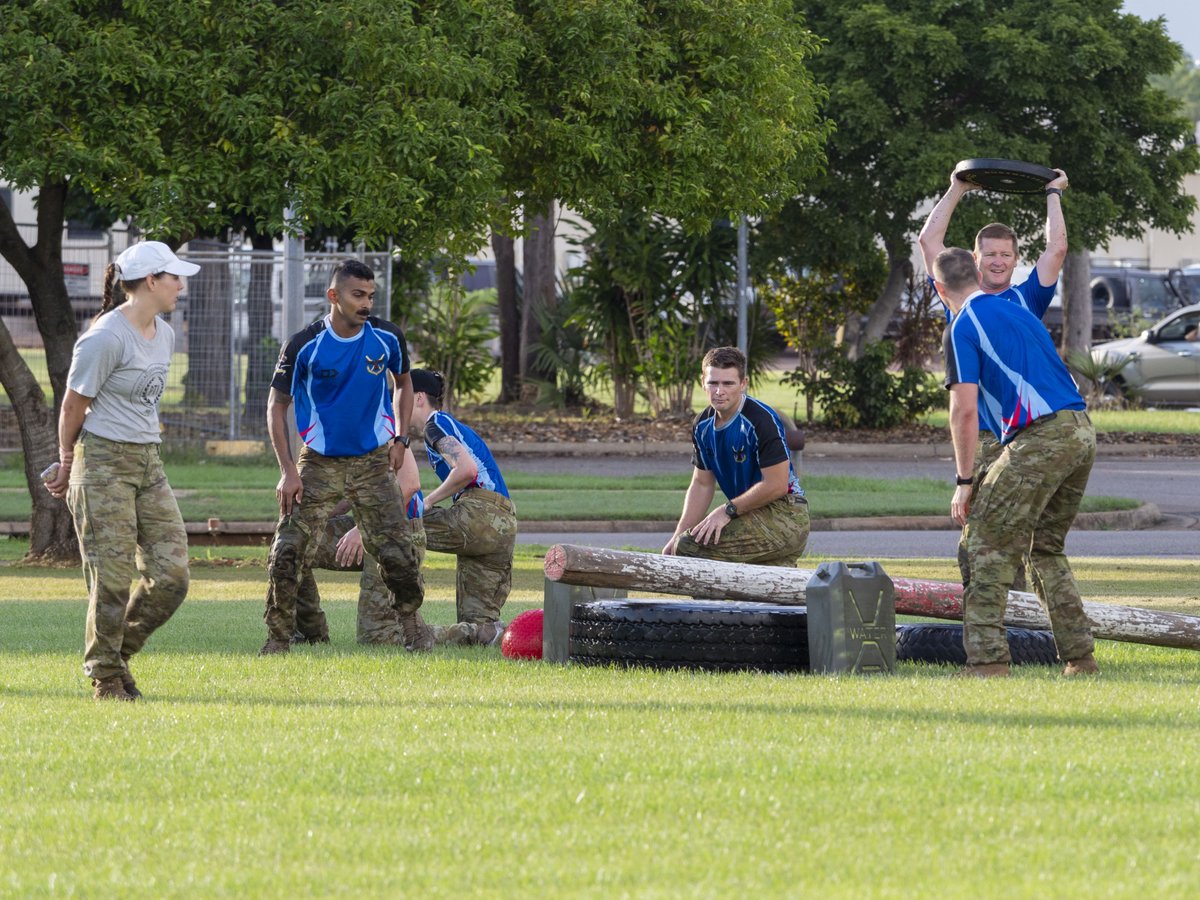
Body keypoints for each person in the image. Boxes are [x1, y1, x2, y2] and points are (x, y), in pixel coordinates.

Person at [44, 241, 198, 701]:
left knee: (172, 577)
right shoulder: (105, 337)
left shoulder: (164, 334)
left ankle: (114, 656)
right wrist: (67, 461)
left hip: (148, 461)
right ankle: (107, 679)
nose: (180, 286)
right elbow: (73, 406)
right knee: (110, 579)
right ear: (151, 281)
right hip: (102, 463)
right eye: (173, 277)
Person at [935, 247, 1098, 678]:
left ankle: (987, 663)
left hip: (1040, 438)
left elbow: (963, 411)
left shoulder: (962, 324)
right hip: (1080, 430)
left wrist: (965, 481)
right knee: (1044, 548)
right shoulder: (1017, 311)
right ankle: (1080, 659)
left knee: (983, 543)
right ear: (977, 273)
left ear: (938, 288)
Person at [260, 259, 427, 654]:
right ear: (333, 296)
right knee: (287, 550)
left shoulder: (387, 337)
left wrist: (401, 439)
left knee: (397, 553)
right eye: (357, 295)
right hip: (318, 462)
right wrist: (288, 470)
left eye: (370, 295)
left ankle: (412, 630)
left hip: (373, 462)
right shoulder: (304, 345)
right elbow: (276, 406)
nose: (366, 303)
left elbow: (403, 384)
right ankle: (279, 639)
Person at [919, 166, 1070, 592]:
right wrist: (957, 188)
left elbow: (1057, 249)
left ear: (1016, 259)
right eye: (990, 254)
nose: (998, 261)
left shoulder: (1026, 297)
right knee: (980, 541)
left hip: (1025, 435)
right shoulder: (958, 298)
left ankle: (1019, 617)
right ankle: (994, 612)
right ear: (975, 258)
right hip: (985, 437)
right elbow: (929, 242)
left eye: (1006, 254)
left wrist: (1053, 193)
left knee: (1021, 535)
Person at [663, 346, 809, 566]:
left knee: (689, 547)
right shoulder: (702, 424)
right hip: (747, 514)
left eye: (728, 383)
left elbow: (777, 485)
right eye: (713, 383)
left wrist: (727, 510)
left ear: (743, 384)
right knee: (766, 583)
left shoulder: (760, 420)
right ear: (703, 382)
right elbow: (702, 484)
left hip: (785, 513)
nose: (719, 391)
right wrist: (677, 535)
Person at [410, 368, 516, 646]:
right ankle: (508, 635)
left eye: (399, 395)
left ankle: (396, 627)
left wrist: (427, 502)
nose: (395, 403)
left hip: (481, 513)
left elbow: (467, 470)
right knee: (479, 630)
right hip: (503, 522)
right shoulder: (450, 425)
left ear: (419, 398)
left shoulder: (435, 425)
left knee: (397, 525)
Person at [286, 449, 428, 646]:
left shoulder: (389, 433)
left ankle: (464, 633)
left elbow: (410, 485)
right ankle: (311, 635)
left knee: (376, 637)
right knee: (293, 547)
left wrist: (361, 530)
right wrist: (312, 514)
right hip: (364, 525)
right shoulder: (338, 438)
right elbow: (348, 493)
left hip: (398, 532)